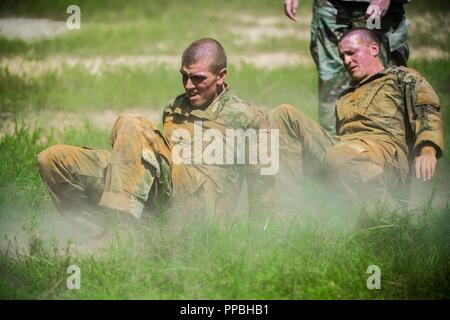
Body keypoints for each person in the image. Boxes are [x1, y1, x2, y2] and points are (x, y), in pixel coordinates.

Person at [37, 38, 274, 240]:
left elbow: (265, 184)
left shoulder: (251, 118)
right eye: (184, 76)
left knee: (132, 123)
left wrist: (257, 238)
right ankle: (91, 236)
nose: (189, 86)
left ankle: (121, 235)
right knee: (55, 159)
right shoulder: (174, 107)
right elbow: (157, 160)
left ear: (221, 76)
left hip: (202, 210)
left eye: (198, 78)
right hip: (168, 191)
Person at [268, 28, 443, 207]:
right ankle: (284, 215)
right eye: (342, 56)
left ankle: (392, 217)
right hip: (343, 151)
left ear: (374, 49)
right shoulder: (346, 95)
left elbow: (427, 110)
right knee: (283, 114)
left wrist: (428, 150)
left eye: (351, 53)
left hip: (385, 156)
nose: (346, 61)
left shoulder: (401, 77)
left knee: (340, 154)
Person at [283, 0, 410, 133]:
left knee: (383, 76)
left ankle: (388, 143)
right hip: (329, 5)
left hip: (374, 8)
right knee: (331, 82)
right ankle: (333, 145)